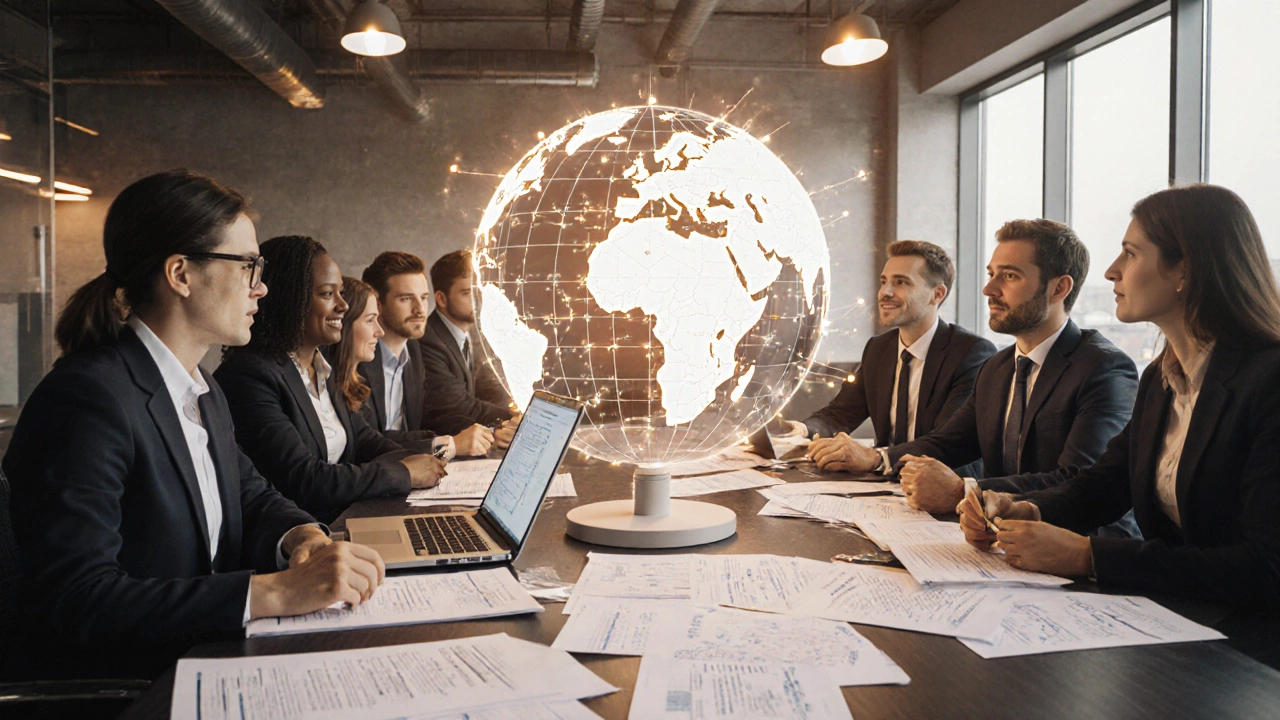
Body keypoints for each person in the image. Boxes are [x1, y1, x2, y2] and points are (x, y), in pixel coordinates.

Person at [1, 170, 385, 679]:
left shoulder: (202, 389)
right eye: (249, 266)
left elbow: (251, 495)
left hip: (210, 658)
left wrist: (302, 537)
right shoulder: (87, 399)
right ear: (180, 274)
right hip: (143, 686)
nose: (262, 286)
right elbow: (79, 599)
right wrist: (271, 592)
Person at [959, 185, 1280, 667]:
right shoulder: (1161, 376)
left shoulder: (1269, 380)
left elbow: (1266, 568)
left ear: (1185, 270)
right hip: (1173, 628)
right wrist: (1024, 509)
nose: (1111, 270)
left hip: (1251, 658)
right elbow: (1103, 486)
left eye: (1130, 253)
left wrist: (1089, 556)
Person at [812, 220, 1140, 525]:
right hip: (1001, 544)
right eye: (991, 273)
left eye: (1009, 276)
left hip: (1083, 559)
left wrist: (965, 490)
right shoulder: (997, 367)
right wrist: (876, 458)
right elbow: (947, 444)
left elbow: (1076, 479)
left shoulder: (1104, 369)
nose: (989, 289)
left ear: (1058, 289)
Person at [215, 236, 445, 524]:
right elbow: (305, 480)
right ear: (290, 299)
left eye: (341, 293)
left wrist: (432, 461)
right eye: (327, 294)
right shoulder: (250, 376)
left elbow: (364, 439)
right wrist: (405, 472)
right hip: (305, 536)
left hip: (349, 516)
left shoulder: (321, 368)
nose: (343, 306)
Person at [803, 241, 996, 478]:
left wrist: (876, 458)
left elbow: (946, 443)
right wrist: (801, 430)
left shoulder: (971, 353)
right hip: (884, 488)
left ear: (937, 294)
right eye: (884, 281)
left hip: (946, 493)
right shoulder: (878, 349)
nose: (885, 292)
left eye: (901, 282)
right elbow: (840, 414)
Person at [358, 251, 496, 457]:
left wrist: (491, 432)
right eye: (406, 299)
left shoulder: (413, 350)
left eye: (423, 298)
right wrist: (450, 445)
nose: (420, 309)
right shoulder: (359, 359)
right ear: (378, 304)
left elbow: (425, 423)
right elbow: (367, 443)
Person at [419, 250, 521, 443]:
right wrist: (516, 416)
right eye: (467, 293)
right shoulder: (428, 341)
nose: (478, 300)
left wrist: (509, 418)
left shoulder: (472, 333)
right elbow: (458, 405)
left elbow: (490, 388)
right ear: (441, 299)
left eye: (479, 291)